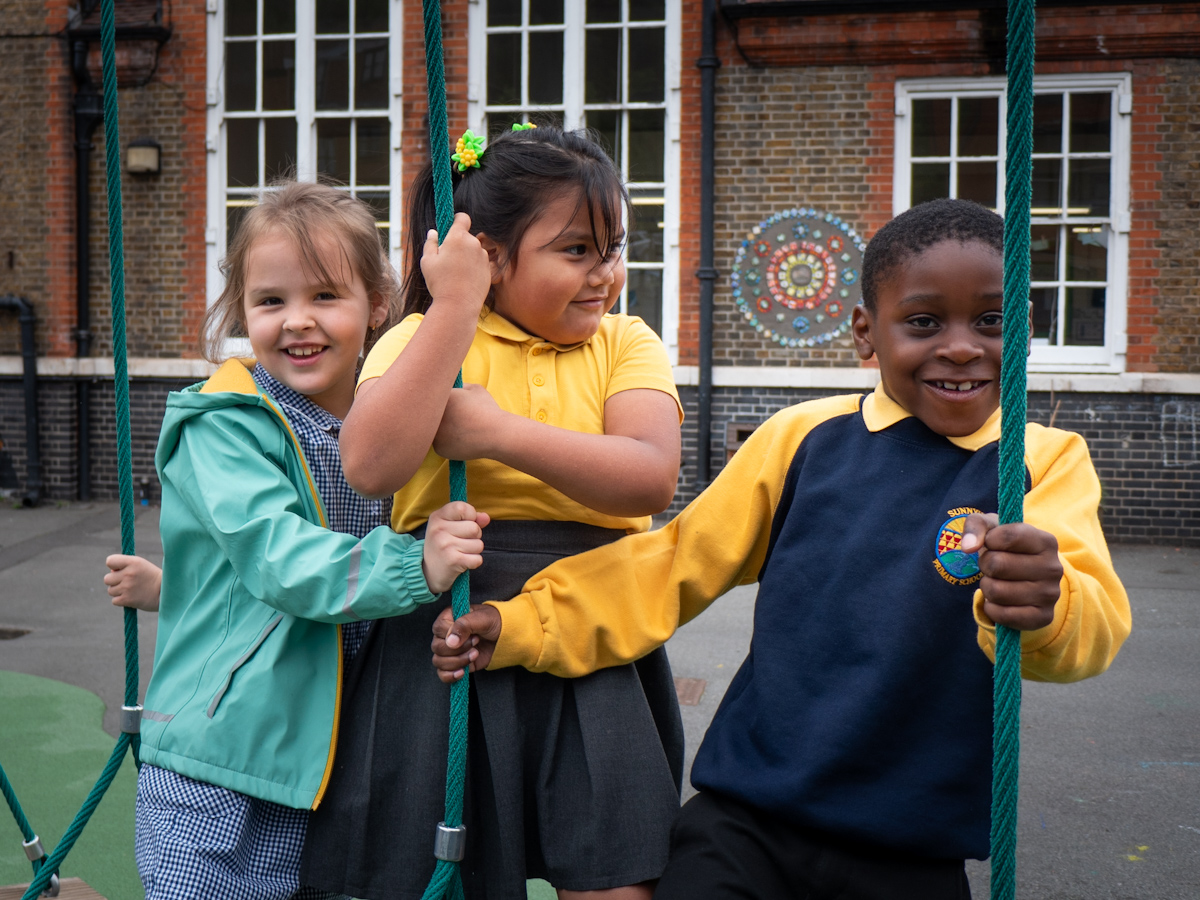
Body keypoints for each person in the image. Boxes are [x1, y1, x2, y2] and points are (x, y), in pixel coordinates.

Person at [432, 198, 1133, 900]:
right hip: (749, 817)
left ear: (1027, 328)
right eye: (924, 322)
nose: (960, 346)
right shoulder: (804, 439)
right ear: (866, 332)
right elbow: (674, 563)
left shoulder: (1038, 462)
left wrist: (1047, 602)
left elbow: (1091, 625)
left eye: (991, 321)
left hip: (911, 839)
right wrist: (523, 622)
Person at [301, 126, 685, 900]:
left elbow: (650, 478)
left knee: (616, 872)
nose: (606, 273)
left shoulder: (624, 342)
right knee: (439, 869)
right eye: (577, 250)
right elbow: (371, 466)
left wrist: (497, 434)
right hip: (449, 629)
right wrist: (454, 308)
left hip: (593, 629)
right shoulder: (422, 340)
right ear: (490, 257)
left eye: (614, 248)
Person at [134, 181, 489, 900]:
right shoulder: (221, 425)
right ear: (242, 310)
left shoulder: (386, 432)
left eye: (325, 295)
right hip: (219, 765)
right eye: (271, 301)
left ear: (377, 304)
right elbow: (276, 558)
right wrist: (416, 565)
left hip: (337, 760)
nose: (298, 321)